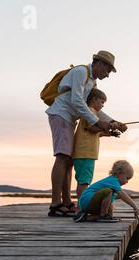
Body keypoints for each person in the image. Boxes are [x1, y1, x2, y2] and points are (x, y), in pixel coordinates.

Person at [45, 50, 127, 217]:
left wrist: (113, 123)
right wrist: (97, 122)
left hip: (69, 118)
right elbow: (76, 100)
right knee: (62, 157)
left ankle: (66, 203)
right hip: (61, 114)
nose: (108, 75)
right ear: (100, 64)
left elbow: (93, 109)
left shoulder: (92, 83)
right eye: (108, 70)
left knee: (67, 160)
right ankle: (55, 204)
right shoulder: (81, 72)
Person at [72, 88, 111, 203]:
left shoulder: (90, 113)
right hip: (85, 153)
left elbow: (92, 132)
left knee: (83, 181)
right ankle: (82, 206)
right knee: (84, 182)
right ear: (94, 99)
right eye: (102, 102)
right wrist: (106, 126)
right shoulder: (90, 111)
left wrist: (108, 133)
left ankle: (81, 205)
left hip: (84, 153)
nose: (103, 105)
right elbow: (92, 128)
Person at [73, 160, 139, 223]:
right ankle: (103, 215)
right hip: (87, 200)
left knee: (110, 213)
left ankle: (85, 217)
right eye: (127, 178)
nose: (127, 181)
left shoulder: (114, 184)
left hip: (89, 203)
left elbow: (115, 198)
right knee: (108, 191)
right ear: (119, 173)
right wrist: (135, 207)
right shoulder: (113, 180)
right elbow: (122, 195)